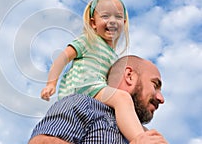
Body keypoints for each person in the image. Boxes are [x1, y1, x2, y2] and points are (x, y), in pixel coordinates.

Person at [41, 0, 144, 141]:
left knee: (120, 106)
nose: (112, 20)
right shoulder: (88, 40)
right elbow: (63, 58)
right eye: (105, 16)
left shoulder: (114, 56)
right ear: (93, 23)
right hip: (84, 87)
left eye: (118, 16)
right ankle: (139, 139)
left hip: (97, 94)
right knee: (123, 99)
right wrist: (51, 83)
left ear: (124, 23)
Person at [30, 55, 167, 144]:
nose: (161, 99)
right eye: (155, 85)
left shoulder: (148, 135)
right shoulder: (83, 104)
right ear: (129, 76)